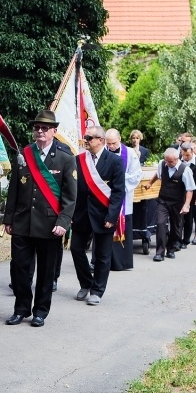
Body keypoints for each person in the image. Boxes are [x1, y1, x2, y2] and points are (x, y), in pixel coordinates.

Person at [3, 110, 76, 324]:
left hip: (49, 223)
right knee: (19, 268)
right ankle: (21, 308)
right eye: (37, 128)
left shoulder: (65, 158)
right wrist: (8, 219)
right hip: (23, 222)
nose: (40, 131)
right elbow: (14, 189)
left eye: (45, 128)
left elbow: (70, 196)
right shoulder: (24, 154)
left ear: (54, 131)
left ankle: (40, 311)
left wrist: (63, 222)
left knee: (45, 271)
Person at [70, 126, 125, 305]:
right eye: (85, 137)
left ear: (100, 140)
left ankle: (97, 290)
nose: (85, 141)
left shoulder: (115, 161)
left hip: (103, 215)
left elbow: (118, 192)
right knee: (76, 249)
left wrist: (112, 216)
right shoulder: (79, 160)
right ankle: (86, 283)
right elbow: (73, 188)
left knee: (102, 255)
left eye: (89, 138)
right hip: (81, 214)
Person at [142, 147, 195, 261]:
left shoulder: (185, 170)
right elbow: (158, 174)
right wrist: (150, 183)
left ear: (177, 159)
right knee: (160, 223)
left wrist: (186, 205)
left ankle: (171, 248)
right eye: (166, 160)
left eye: (170, 161)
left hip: (177, 203)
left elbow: (189, 189)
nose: (167, 163)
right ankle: (159, 253)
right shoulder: (162, 164)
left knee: (176, 228)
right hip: (163, 200)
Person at [104, 128, 141, 270]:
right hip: (105, 196)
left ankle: (121, 262)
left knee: (122, 228)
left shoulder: (130, 153)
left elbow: (136, 175)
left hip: (123, 196)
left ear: (119, 139)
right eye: (108, 143)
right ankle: (102, 261)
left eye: (113, 143)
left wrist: (119, 180)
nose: (111, 146)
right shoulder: (103, 152)